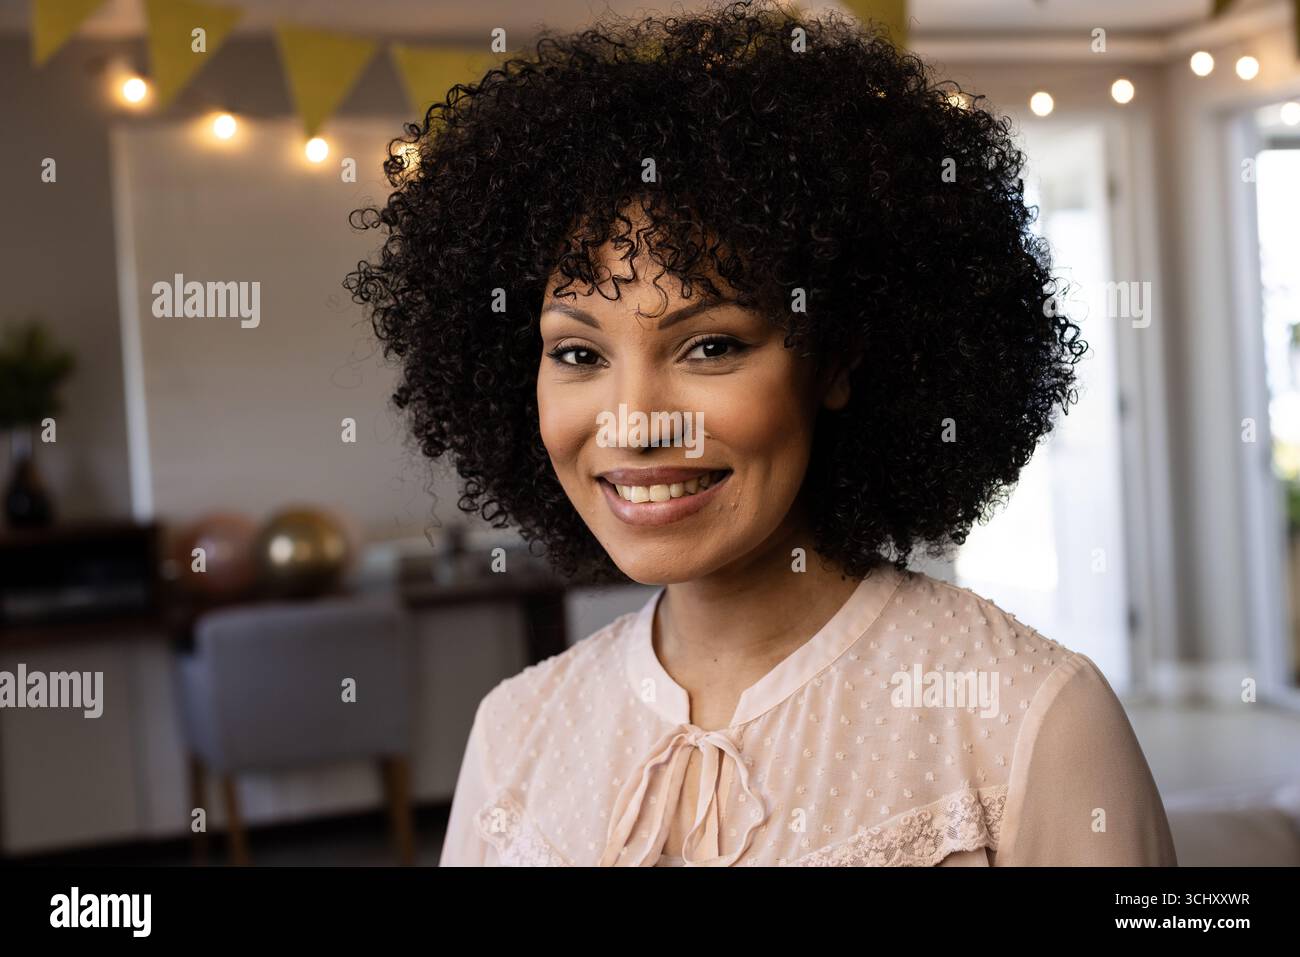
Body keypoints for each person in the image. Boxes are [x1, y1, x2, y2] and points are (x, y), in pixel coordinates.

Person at [345, 0, 1177, 866]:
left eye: (711, 345)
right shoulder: (515, 732)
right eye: (579, 353)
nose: (635, 422)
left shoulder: (1032, 720)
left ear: (836, 362)